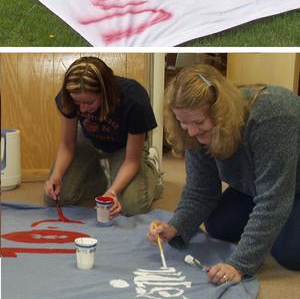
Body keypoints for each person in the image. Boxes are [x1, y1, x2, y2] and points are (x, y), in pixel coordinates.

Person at [148, 64, 300, 284]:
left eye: (199, 123)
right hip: (256, 185)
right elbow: (200, 191)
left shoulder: (273, 115)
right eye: (183, 123)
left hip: (292, 184)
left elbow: (273, 198)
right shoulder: (193, 130)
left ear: (220, 112)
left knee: (290, 253)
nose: (191, 131)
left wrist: (239, 264)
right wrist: (176, 226)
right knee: (219, 225)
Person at [44, 56, 163, 217]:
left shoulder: (134, 98)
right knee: (55, 198)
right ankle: (99, 177)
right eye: (78, 103)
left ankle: (151, 174)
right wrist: (56, 176)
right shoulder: (68, 97)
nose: (83, 109)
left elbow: (131, 161)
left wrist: (112, 192)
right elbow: (67, 145)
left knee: (132, 206)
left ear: (105, 92)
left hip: (124, 146)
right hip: (87, 140)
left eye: (89, 102)